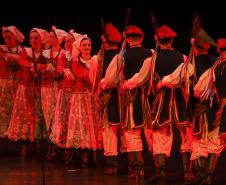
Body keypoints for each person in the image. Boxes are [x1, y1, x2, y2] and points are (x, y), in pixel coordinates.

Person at [148, 25, 194, 183]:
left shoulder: (153, 58)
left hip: (163, 99)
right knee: (186, 133)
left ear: (158, 40)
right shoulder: (182, 57)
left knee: (160, 134)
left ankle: (160, 169)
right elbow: (187, 78)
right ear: (172, 40)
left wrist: (160, 83)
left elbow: (147, 78)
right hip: (181, 98)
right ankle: (188, 170)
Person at [7, 28, 49, 157]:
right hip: (25, 88)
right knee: (24, 116)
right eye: (31, 38)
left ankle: (36, 141)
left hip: (37, 89)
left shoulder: (45, 53)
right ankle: (24, 145)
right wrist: (34, 67)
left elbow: (47, 66)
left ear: (41, 39)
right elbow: (22, 61)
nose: (33, 40)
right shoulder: (27, 51)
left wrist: (41, 68)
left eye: (35, 38)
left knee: (36, 116)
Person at [193, 38, 226, 185]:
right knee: (216, 141)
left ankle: (206, 178)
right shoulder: (216, 66)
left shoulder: (216, 68)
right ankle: (206, 177)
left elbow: (199, 89)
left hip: (223, 107)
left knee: (215, 142)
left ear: (220, 50)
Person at [120, 25, 152, 178]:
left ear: (127, 39)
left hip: (131, 99)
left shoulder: (123, 56)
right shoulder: (151, 54)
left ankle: (138, 168)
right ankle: (158, 167)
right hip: (149, 99)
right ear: (142, 38)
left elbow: (115, 79)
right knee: (152, 133)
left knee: (132, 133)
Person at [189, 28, 218, 185]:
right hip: (217, 107)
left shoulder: (191, 63)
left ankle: (203, 175)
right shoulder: (217, 61)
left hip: (202, 106)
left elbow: (183, 81)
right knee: (214, 141)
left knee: (199, 140)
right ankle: (207, 177)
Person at [65, 34, 100, 167]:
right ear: (79, 47)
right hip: (80, 97)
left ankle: (93, 155)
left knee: (93, 124)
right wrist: (93, 73)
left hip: (91, 97)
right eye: (84, 45)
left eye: (89, 45)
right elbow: (82, 75)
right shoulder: (76, 62)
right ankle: (82, 155)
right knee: (81, 125)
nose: (87, 47)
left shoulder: (95, 60)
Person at [98, 22, 122, 174]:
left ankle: (111, 164)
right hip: (124, 96)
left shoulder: (100, 58)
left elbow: (95, 79)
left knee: (109, 131)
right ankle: (130, 164)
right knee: (125, 130)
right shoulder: (122, 55)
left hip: (108, 96)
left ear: (104, 40)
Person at [0, 26, 24, 138]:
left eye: (10, 38)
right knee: (4, 107)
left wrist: (13, 57)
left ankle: (16, 130)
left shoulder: (23, 50)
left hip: (18, 83)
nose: (7, 40)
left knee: (18, 107)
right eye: (5, 38)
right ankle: (4, 130)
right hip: (4, 83)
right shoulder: (1, 49)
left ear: (15, 38)